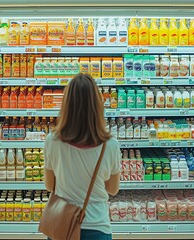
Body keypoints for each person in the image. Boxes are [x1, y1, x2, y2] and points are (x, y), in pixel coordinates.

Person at [44, 73, 121, 240]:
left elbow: (50, 186)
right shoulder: (111, 145)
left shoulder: (52, 141)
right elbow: (113, 189)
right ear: (97, 106)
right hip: (97, 225)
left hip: (62, 223)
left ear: (66, 105)